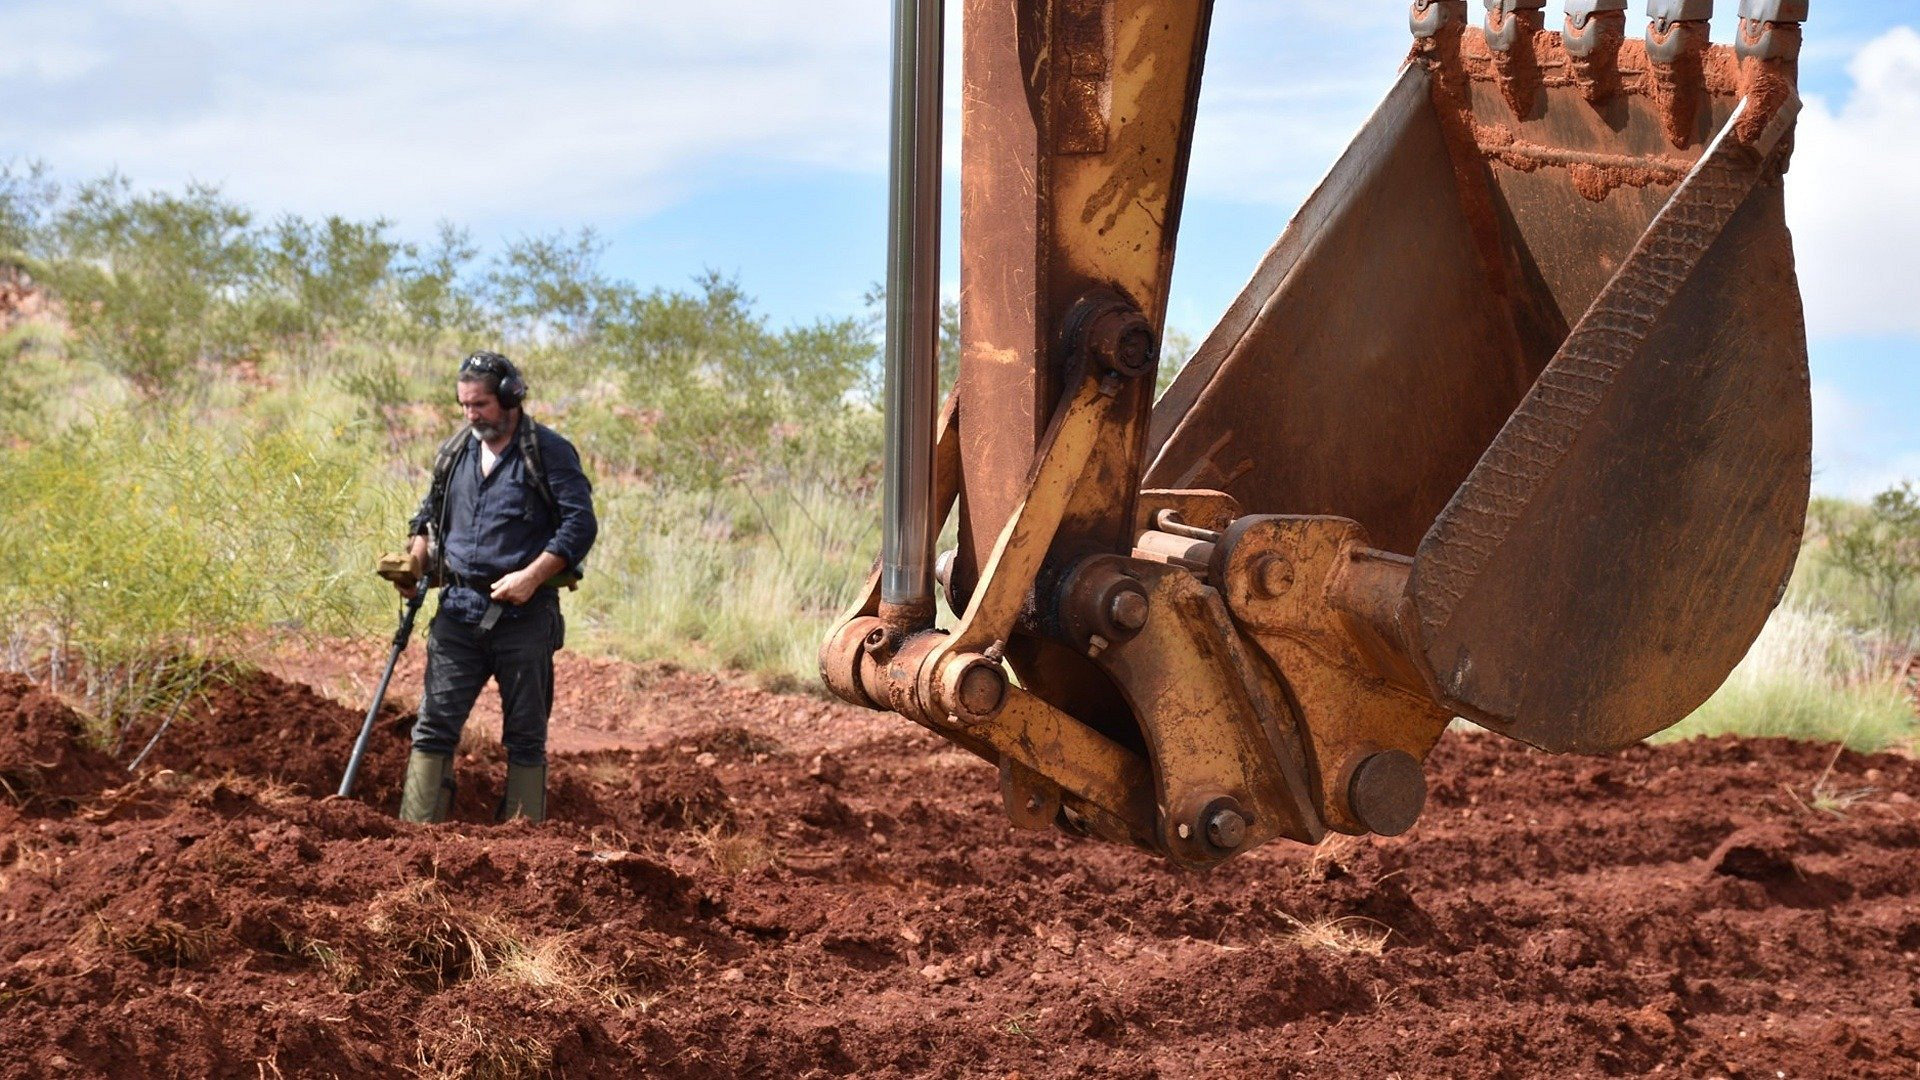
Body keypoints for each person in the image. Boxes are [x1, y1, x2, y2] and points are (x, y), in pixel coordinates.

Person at [393, 351, 597, 824]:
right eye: (465, 405)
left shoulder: (548, 451)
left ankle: (526, 849)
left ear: (510, 398)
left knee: (526, 735)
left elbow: (579, 525)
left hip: (524, 618)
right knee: (434, 726)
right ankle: (414, 836)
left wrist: (532, 577)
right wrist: (416, 557)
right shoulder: (455, 452)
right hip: (458, 610)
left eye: (481, 404)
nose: (472, 415)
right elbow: (427, 516)